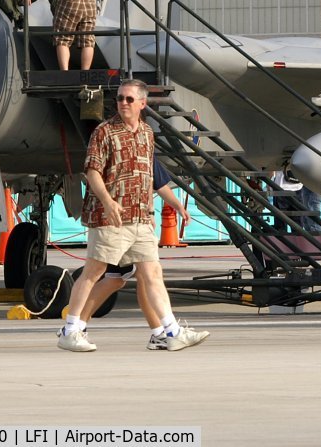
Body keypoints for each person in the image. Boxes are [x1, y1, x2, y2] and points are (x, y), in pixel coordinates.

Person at [56, 79, 208, 352]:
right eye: (119, 98)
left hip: (140, 218)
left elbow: (152, 178)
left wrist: (176, 205)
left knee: (152, 274)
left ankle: (170, 331)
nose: (123, 103)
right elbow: (92, 171)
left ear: (142, 103)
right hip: (109, 217)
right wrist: (108, 201)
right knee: (94, 272)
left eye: (128, 99)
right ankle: (71, 329)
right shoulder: (104, 132)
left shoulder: (147, 134)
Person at [76, 156, 192, 349]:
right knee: (123, 278)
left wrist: (178, 207)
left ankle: (159, 332)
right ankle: (77, 326)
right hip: (120, 223)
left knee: (133, 277)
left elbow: (159, 184)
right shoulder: (120, 148)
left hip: (138, 224)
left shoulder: (145, 148)